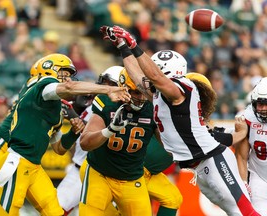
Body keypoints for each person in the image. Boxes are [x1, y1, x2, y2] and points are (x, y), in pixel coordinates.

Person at [102, 25, 260, 215]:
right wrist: (123, 47)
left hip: (212, 160)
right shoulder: (159, 94)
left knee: (245, 212)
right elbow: (138, 78)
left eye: (157, 70)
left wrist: (135, 45)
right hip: (198, 167)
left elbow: (155, 77)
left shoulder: (183, 87)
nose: (150, 77)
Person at [0, 53, 130, 215]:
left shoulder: (55, 107)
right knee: (6, 212)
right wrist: (108, 89)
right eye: (64, 74)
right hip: (17, 162)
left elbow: (58, 148)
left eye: (70, 76)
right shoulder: (42, 85)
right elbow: (68, 88)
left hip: (35, 167)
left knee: (56, 212)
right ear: (48, 69)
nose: (68, 79)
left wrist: (73, 132)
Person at [79, 67, 158, 216]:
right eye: (135, 91)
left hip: (131, 177)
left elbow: (167, 144)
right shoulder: (107, 102)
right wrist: (110, 129)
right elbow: (85, 143)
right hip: (100, 174)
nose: (141, 97)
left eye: (143, 92)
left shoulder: (154, 108)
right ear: (123, 88)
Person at [0, 58, 44, 216]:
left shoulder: (31, 96)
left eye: (3, 105)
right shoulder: (31, 94)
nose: (1, 109)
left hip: (14, 158)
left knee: (6, 201)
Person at [57, 65, 123, 216]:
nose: (104, 86)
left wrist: (75, 114)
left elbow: (97, 134)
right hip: (79, 168)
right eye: (104, 81)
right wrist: (75, 109)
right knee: (55, 209)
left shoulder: (119, 110)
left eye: (110, 84)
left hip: (105, 174)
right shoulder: (93, 101)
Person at [235, 77, 267, 215]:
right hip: (259, 178)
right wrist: (243, 182)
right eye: (260, 104)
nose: (263, 109)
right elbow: (242, 156)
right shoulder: (247, 118)